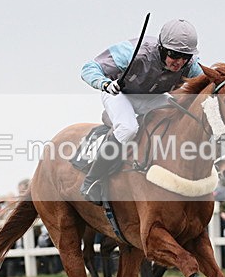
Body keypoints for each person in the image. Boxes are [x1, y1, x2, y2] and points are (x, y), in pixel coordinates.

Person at [79, 18, 204, 203]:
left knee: (180, 113)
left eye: (185, 57)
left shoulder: (191, 65)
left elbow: (208, 84)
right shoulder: (134, 52)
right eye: (174, 55)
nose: (179, 62)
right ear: (162, 48)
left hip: (151, 98)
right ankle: (91, 181)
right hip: (119, 93)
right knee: (128, 128)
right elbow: (89, 68)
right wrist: (104, 83)